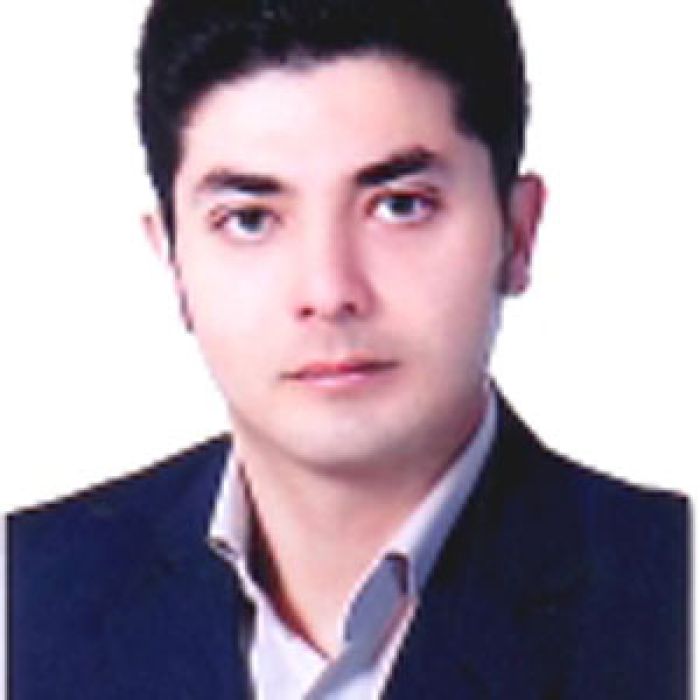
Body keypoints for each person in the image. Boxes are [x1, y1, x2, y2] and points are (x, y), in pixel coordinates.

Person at [7, 0, 688, 698]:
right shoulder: (26, 590)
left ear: (518, 234)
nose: (329, 291)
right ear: (174, 262)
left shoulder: (669, 594)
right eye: (250, 219)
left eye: (400, 205)